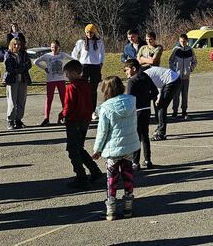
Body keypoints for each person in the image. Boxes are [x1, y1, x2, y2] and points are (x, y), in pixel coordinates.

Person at [92, 77, 139, 221]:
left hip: (113, 149)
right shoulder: (131, 102)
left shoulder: (106, 107)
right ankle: (128, 206)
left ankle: (111, 209)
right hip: (129, 146)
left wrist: (97, 149)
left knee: (112, 179)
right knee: (128, 176)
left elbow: (102, 132)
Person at [61, 61, 103, 189]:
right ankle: (94, 171)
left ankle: (81, 176)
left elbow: (68, 106)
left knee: (73, 149)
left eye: (68, 74)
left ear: (74, 73)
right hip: (85, 120)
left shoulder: (71, 87)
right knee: (79, 147)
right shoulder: (87, 86)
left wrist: (63, 115)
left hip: (74, 120)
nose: (67, 77)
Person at [123, 60, 158, 170]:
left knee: (136, 137)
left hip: (136, 111)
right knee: (145, 136)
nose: (126, 72)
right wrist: (147, 99)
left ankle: (135, 162)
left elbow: (129, 98)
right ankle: (148, 160)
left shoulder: (132, 81)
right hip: (146, 110)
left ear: (134, 69)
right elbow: (155, 92)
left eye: (127, 70)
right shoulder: (145, 76)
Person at [34, 39, 73, 126]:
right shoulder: (47, 56)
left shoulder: (63, 55)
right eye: (52, 47)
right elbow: (36, 62)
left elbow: (73, 60)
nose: (54, 49)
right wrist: (45, 68)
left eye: (55, 47)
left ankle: (65, 116)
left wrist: (66, 69)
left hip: (61, 80)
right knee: (49, 99)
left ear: (59, 47)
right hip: (50, 80)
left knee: (63, 99)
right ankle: (46, 118)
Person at [143, 65, 181, 141]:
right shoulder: (148, 73)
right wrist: (159, 97)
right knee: (159, 104)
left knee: (161, 107)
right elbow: (159, 83)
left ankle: (161, 133)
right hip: (170, 80)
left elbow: (158, 84)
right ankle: (160, 127)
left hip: (172, 81)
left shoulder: (145, 76)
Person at [72, 24, 105, 107]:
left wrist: (101, 62)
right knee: (82, 88)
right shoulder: (81, 42)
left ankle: (92, 110)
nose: (89, 34)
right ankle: (82, 107)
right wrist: (76, 63)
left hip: (95, 66)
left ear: (94, 32)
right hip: (84, 66)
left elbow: (102, 53)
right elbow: (74, 53)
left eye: (91, 32)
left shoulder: (99, 41)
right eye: (87, 32)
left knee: (93, 89)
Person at [3, 38, 32, 130]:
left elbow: (29, 65)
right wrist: (21, 68)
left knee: (21, 101)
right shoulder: (8, 55)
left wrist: (19, 69)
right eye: (15, 44)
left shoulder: (24, 54)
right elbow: (9, 68)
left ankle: (18, 120)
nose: (17, 46)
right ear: (11, 45)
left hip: (23, 80)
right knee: (12, 101)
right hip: (12, 81)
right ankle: (10, 120)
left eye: (19, 44)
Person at [168, 34, 196, 119]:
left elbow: (194, 61)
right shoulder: (176, 50)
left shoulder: (190, 50)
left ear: (187, 41)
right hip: (176, 77)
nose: (182, 43)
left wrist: (190, 69)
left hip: (186, 77)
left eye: (184, 41)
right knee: (175, 95)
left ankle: (184, 111)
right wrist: (174, 71)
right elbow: (170, 61)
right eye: (181, 41)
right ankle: (175, 111)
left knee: (185, 94)